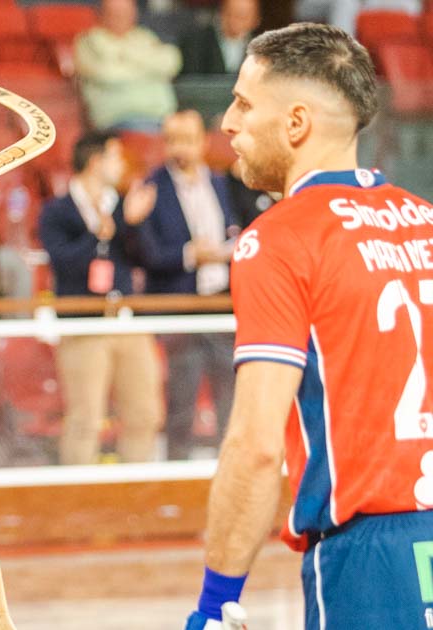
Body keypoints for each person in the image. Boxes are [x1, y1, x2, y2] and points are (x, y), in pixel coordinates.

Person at [186, 23, 433, 630]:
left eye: (244, 103)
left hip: (371, 559)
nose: (228, 124)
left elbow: (257, 445)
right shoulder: (426, 221)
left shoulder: (279, 239)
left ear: (295, 123)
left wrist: (216, 602)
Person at [39, 131, 164, 465]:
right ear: (95, 162)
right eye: (114, 157)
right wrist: (104, 231)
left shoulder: (124, 206)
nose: (121, 164)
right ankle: (76, 501)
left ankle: (137, 493)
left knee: (145, 413)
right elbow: (63, 261)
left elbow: (146, 257)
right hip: (83, 326)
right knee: (85, 419)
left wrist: (134, 224)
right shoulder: (57, 211)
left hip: (126, 320)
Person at [125, 110, 238, 460]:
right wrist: (191, 255)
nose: (180, 148)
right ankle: (176, 469)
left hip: (222, 305)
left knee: (230, 397)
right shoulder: (153, 186)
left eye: (187, 139)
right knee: (181, 398)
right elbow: (147, 253)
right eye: (173, 140)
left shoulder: (221, 183)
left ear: (203, 142)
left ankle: (230, 467)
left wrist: (226, 250)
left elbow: (237, 228)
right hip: (179, 308)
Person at [75, 0, 181, 131]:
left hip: (164, 119)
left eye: (126, 12)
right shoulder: (90, 41)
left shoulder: (143, 37)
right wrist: (151, 70)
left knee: (192, 127)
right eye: (115, 13)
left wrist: (124, 56)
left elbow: (171, 63)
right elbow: (109, 76)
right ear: (101, 14)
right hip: (121, 121)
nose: (122, 16)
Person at [179, 0, 261, 77]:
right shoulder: (196, 43)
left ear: (256, 19)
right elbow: (191, 82)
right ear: (222, 12)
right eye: (232, 13)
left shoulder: (260, 51)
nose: (236, 21)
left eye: (243, 16)